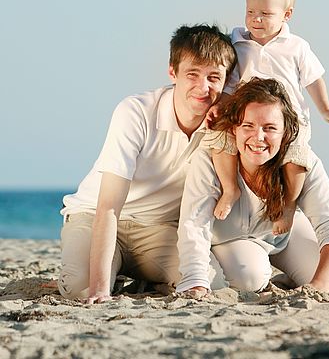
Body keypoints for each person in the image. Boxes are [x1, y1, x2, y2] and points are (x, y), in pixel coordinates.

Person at [58, 24, 237, 303]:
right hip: (96, 217)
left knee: (208, 285)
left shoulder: (223, 124)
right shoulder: (136, 111)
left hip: (158, 229)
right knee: (80, 290)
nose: (203, 87)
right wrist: (100, 290)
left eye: (214, 77)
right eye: (193, 74)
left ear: (226, 81)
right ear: (172, 72)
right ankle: (108, 274)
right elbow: (108, 207)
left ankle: (141, 277)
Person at [177, 77, 329, 298]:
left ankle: (288, 279)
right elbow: (194, 224)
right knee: (250, 279)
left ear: (286, 133)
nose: (258, 137)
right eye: (248, 126)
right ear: (235, 129)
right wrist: (195, 280)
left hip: (282, 236)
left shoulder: (300, 162)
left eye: (270, 128)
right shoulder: (209, 159)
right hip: (230, 241)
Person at [210, 0, 329, 234]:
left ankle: (287, 205)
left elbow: (313, 79)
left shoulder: (296, 46)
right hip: (247, 117)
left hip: (290, 118)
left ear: (287, 15)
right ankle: (230, 189)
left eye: (265, 14)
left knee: (297, 156)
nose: (256, 20)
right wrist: (220, 107)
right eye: (250, 12)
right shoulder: (237, 43)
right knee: (218, 137)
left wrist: (326, 109)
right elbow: (229, 82)